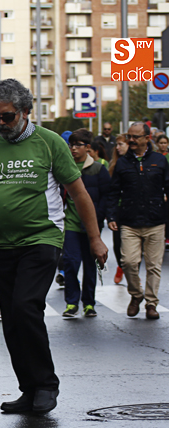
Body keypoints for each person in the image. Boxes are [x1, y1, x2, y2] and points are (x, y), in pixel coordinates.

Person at [0, 79, 108, 415]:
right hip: (2, 244)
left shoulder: (49, 142)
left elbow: (79, 193)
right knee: (12, 319)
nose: (1, 123)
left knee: (26, 307)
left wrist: (95, 237)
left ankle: (45, 385)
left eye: (7, 116)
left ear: (26, 111)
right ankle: (28, 389)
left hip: (42, 238)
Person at [107, 122, 169, 320]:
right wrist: (111, 216)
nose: (131, 140)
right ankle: (136, 295)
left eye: (135, 137)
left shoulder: (160, 160)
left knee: (153, 265)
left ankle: (151, 303)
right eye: (129, 136)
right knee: (128, 262)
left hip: (156, 221)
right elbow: (113, 192)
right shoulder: (122, 163)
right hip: (129, 222)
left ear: (147, 138)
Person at [63, 129, 111, 318]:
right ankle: (71, 302)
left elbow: (107, 195)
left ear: (88, 147)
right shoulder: (65, 167)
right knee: (70, 263)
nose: (73, 149)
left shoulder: (98, 169)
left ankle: (89, 303)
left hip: (91, 226)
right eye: (71, 145)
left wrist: (101, 216)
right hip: (70, 224)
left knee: (90, 265)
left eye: (78, 145)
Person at [108, 133, 129, 284]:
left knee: (134, 247)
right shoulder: (114, 164)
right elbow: (111, 191)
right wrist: (110, 214)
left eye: (121, 144)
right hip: (118, 209)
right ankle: (121, 266)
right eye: (117, 144)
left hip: (132, 210)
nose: (117, 147)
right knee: (117, 244)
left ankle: (132, 273)